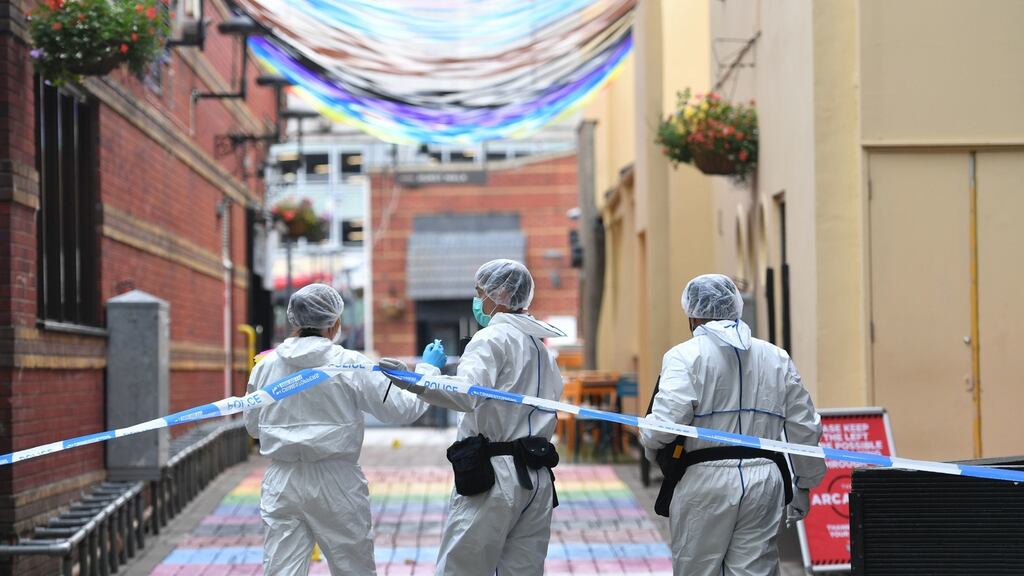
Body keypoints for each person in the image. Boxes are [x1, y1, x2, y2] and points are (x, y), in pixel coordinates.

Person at [382, 259, 565, 576]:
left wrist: (417, 378)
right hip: (537, 476)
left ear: (502, 292)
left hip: (494, 476)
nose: (478, 300)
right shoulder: (540, 348)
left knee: (461, 569)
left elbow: (466, 394)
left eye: (480, 292)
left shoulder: (491, 339)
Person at [245, 284, 441, 576]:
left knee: (281, 569)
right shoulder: (350, 363)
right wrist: (428, 371)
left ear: (293, 320)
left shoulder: (266, 366)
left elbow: (253, 426)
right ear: (334, 322)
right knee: (353, 568)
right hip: (336, 482)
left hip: (281, 480)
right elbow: (402, 408)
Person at [639, 274, 826, 576]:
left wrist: (649, 443)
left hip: (703, 482)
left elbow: (664, 424)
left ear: (693, 312)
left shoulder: (684, 356)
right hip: (765, 480)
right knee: (756, 570)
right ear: (734, 307)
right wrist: (805, 482)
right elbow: (803, 426)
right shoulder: (775, 356)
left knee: (697, 569)